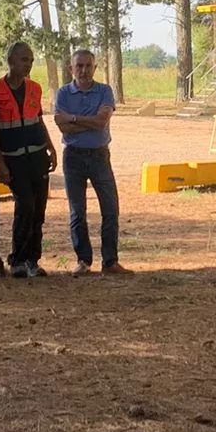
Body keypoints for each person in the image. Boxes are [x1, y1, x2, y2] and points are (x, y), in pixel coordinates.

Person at [54, 49, 126, 274]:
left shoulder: (105, 91)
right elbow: (61, 125)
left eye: (88, 66)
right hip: (73, 156)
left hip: (99, 156)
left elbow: (101, 122)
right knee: (77, 211)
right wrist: (89, 120)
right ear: (71, 69)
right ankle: (83, 260)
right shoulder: (63, 93)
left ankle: (110, 261)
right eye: (79, 66)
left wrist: (73, 119)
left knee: (110, 209)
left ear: (95, 68)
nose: (83, 70)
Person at [0, 41, 56, 278]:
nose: (28, 64)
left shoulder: (35, 88)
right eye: (23, 60)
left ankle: (32, 260)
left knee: (39, 209)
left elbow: (37, 119)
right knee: (25, 205)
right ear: (10, 61)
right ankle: (17, 259)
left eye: (30, 60)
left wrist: (50, 146)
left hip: (37, 155)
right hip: (13, 158)